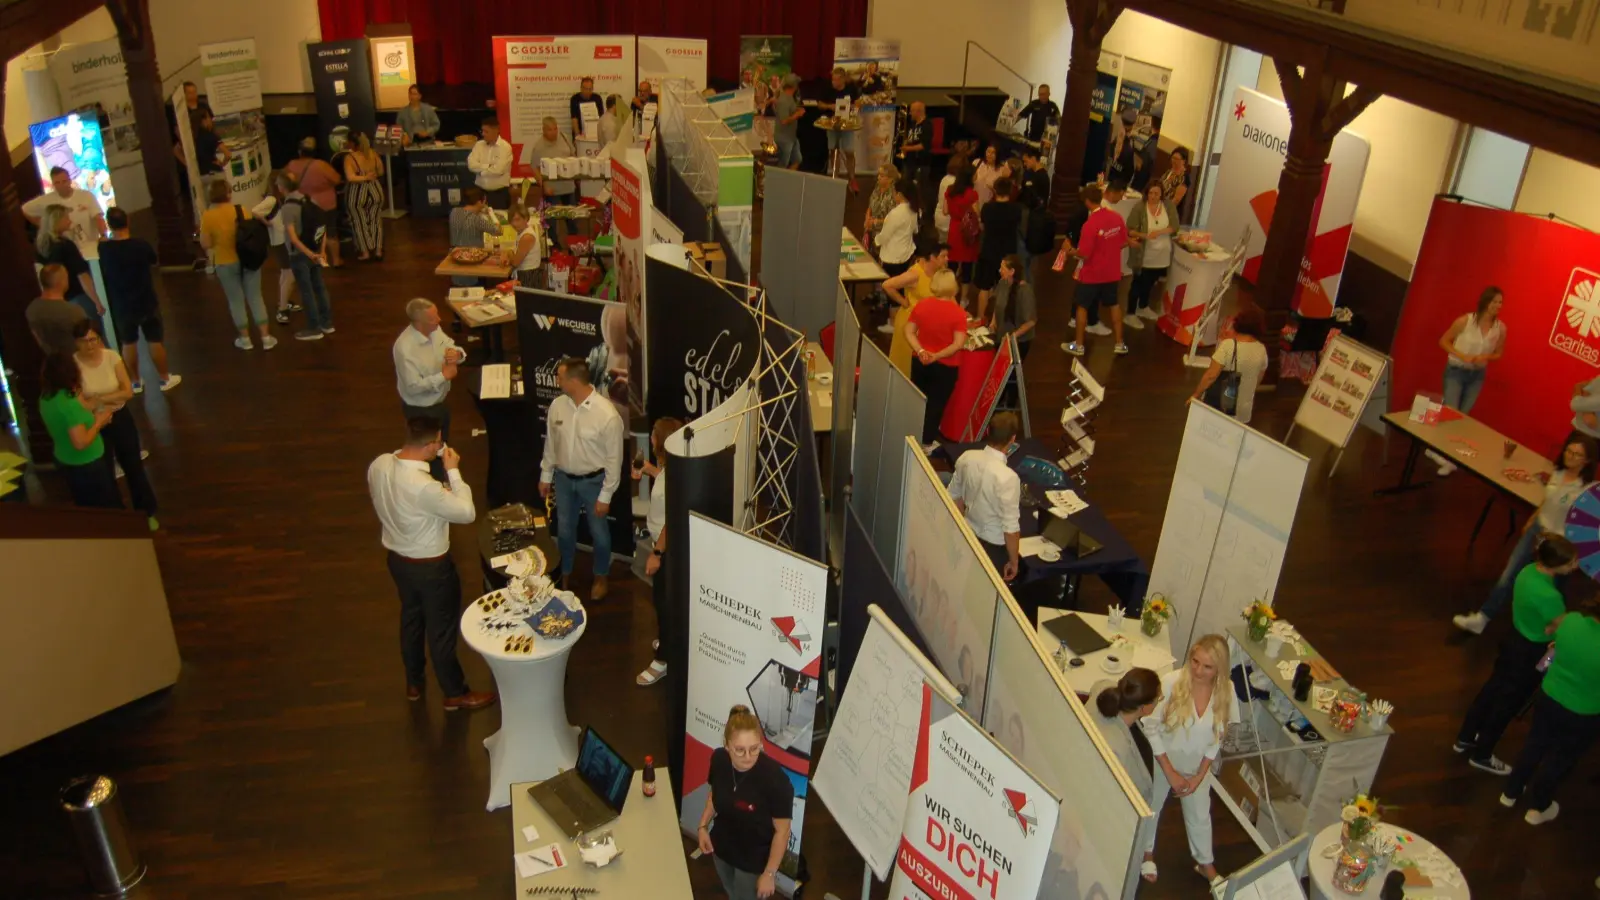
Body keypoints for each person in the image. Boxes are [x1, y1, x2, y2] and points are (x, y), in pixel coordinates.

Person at [368, 417, 495, 712]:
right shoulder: (425, 487)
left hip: (398, 561)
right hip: (432, 569)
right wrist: (453, 472)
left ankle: (414, 682)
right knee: (441, 632)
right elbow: (466, 512)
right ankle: (454, 693)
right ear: (429, 447)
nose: (441, 446)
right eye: (439, 442)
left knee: (411, 620)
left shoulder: (380, 464)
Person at [1456, 535, 1579, 774]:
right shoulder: (1549, 595)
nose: (1575, 566)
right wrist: (1556, 626)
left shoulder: (1528, 572)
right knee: (1508, 704)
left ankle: (1466, 736)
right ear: (1555, 564)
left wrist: (1552, 625)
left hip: (1514, 640)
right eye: (1571, 563)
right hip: (1531, 652)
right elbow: (1560, 625)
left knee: (1492, 689)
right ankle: (1482, 754)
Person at [1456, 435, 1598, 635]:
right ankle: (1483, 617)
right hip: (1538, 530)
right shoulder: (1558, 472)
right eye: (1569, 451)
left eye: (1577, 454)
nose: (1570, 456)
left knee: (1554, 588)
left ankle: (1551, 631)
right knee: (1509, 573)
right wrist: (1533, 518)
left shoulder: (1587, 490)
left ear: (1588, 460)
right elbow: (1549, 500)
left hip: (1558, 543)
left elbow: (1587, 522)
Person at [1139, 634, 1236, 885]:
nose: (1198, 670)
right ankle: (1146, 851)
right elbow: (1150, 726)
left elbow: (1218, 737)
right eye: (1195, 661)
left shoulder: (1227, 692)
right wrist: (1170, 771)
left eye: (1207, 667)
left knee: (1201, 817)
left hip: (1197, 767)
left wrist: (1199, 776)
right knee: (1152, 806)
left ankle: (1206, 865)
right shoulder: (1171, 682)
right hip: (1162, 760)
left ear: (1219, 669)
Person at [1499, 593, 1600, 825]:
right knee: (1561, 758)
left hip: (1550, 697)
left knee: (1534, 744)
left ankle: (1511, 792)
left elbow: (1554, 643)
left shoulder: (1571, 620)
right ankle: (1539, 806)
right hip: (1584, 713)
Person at [539, 358, 625, 601]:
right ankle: (563, 574)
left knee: (599, 533)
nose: (556, 380)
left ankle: (601, 575)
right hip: (564, 480)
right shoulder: (557, 406)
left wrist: (606, 495)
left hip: (594, 483)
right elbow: (551, 444)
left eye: (560, 377)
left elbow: (613, 460)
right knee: (564, 531)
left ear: (574, 381)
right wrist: (546, 475)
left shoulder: (607, 415)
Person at [695, 705, 795, 900]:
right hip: (721, 849)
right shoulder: (719, 759)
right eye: (739, 750)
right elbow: (714, 795)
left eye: (754, 749)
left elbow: (782, 831)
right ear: (726, 745)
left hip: (752, 862)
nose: (748, 757)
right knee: (731, 892)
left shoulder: (776, 780)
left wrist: (769, 873)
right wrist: (702, 826)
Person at [71, 319, 156, 526]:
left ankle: (147, 512)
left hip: (119, 416)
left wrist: (99, 399)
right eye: (84, 341)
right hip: (94, 422)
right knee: (105, 471)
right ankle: (116, 516)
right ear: (76, 343)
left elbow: (127, 391)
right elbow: (80, 402)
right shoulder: (73, 364)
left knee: (133, 465)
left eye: (93, 339)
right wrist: (109, 397)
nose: (90, 345)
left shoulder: (112, 357)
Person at [97, 208, 178, 393]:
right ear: (128, 221)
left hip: (122, 304)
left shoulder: (105, 249)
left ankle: (134, 381)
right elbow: (153, 260)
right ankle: (164, 378)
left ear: (109, 224)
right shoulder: (141, 245)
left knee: (128, 342)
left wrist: (102, 236)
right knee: (154, 339)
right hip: (146, 300)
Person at [1430, 287, 1507, 475]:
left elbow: (1499, 353)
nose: (1498, 306)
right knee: (1451, 411)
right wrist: (1462, 355)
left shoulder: (1500, 328)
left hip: (1476, 376)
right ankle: (1435, 448)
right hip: (1456, 371)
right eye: (1495, 301)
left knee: (1463, 415)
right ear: (1485, 302)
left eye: (1500, 302)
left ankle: (1446, 455)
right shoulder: (1465, 321)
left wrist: (1486, 357)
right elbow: (1444, 341)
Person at [633, 416, 683, 687]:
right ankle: (667, 640)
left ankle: (663, 660)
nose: (649, 439)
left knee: (664, 604)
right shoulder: (671, 467)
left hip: (667, 551)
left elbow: (672, 520)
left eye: (653, 435)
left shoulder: (674, 474)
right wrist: (649, 470)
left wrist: (657, 554)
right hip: (663, 547)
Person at [198, 179, 275, 350]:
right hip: (248, 259)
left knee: (235, 300)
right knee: (255, 296)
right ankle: (266, 337)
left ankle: (245, 339)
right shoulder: (240, 210)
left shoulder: (208, 217)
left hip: (225, 262)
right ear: (228, 194)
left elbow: (206, 244)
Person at [947, 411, 1023, 580]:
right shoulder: (1008, 477)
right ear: (1012, 440)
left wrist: (963, 530)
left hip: (967, 536)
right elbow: (1010, 530)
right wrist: (1014, 561)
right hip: (993, 549)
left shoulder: (967, 457)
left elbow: (952, 497)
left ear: (988, 432)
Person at [39, 351, 119, 508]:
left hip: (64, 458)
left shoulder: (46, 397)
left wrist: (92, 403)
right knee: (104, 505)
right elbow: (80, 442)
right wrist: (99, 422)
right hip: (86, 464)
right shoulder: (69, 405)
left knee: (83, 504)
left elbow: (77, 413)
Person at [1062, 183, 1128, 357]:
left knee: (1082, 306)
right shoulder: (1117, 218)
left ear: (1087, 202)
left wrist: (1070, 252)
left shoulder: (1090, 225)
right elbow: (1123, 242)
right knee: (1114, 304)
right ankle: (1120, 343)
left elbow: (1084, 253)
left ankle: (1078, 345)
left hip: (1092, 274)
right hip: (1112, 272)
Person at [394, 299, 464, 460]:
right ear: (419, 323)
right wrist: (444, 376)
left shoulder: (434, 329)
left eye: (437, 314)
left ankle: (442, 477)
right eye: (433, 318)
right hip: (421, 410)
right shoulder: (405, 349)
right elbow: (413, 386)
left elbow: (449, 345)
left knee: (441, 446)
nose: (439, 320)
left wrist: (457, 354)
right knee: (426, 454)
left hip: (439, 402)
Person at [906, 270, 969, 446]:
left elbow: (909, 331)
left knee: (919, 399)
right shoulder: (958, 313)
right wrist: (937, 355)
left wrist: (920, 351)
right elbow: (958, 344)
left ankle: (912, 435)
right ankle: (926, 442)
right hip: (945, 365)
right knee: (936, 403)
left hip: (920, 361)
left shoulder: (922, 305)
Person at [278, 172, 335, 341]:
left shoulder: (287, 208)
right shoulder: (310, 200)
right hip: (316, 251)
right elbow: (321, 228)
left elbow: (293, 238)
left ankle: (313, 327)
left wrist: (308, 254)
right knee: (319, 287)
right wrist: (321, 251)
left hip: (300, 255)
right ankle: (327, 323)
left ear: (282, 188)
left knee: (307, 291)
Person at [1092, 668, 1162, 798]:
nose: (1159, 700)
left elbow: (1103, 683)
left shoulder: (1101, 688)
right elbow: (1140, 794)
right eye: (1159, 698)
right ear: (1145, 708)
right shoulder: (1120, 750)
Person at [1192, 307, 1269, 423]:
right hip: (1244, 409)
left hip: (1221, 407)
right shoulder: (1261, 349)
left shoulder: (1228, 345)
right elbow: (1258, 378)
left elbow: (1211, 376)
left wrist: (1196, 395)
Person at [34, 205, 105, 333]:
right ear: (56, 221)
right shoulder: (66, 246)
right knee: (94, 334)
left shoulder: (42, 245)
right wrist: (97, 301)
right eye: (66, 218)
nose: (69, 221)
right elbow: (82, 276)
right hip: (78, 297)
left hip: (60, 300)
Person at [883, 238, 948, 374]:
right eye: (943, 256)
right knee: (907, 364)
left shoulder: (940, 272)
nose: (947, 259)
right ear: (932, 257)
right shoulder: (915, 274)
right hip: (911, 323)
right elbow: (888, 285)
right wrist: (904, 302)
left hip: (928, 324)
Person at [1125, 180, 1179, 330]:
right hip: (1144, 255)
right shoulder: (1139, 208)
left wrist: (1159, 232)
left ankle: (1143, 306)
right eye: (1151, 193)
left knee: (1150, 283)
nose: (1153, 196)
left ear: (1161, 194)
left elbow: (1174, 226)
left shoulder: (1168, 206)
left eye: (1156, 193)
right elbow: (1130, 229)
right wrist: (1144, 235)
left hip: (1161, 255)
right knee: (1138, 283)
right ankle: (1130, 313)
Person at [23, 166, 106, 258]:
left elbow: (98, 218)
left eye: (64, 181)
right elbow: (25, 209)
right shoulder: (46, 200)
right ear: (53, 184)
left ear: (70, 181)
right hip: (67, 250)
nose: (61, 185)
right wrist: (45, 225)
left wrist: (103, 236)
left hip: (91, 246)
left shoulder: (86, 196)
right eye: (57, 183)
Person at [284, 138, 343, 268]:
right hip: (326, 204)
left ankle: (312, 259)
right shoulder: (321, 165)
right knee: (331, 233)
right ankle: (336, 261)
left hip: (304, 205)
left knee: (308, 233)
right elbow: (337, 179)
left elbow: (284, 182)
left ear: (300, 152)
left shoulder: (291, 165)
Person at [253, 172, 302, 326]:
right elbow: (254, 211)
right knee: (290, 275)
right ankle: (282, 309)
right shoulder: (272, 200)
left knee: (285, 274)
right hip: (281, 242)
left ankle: (284, 302)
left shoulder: (277, 200)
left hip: (281, 241)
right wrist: (266, 222)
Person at [975, 177, 1023, 323]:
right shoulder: (1016, 209)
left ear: (995, 190)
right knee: (1004, 289)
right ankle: (998, 320)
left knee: (984, 287)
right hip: (1008, 254)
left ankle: (980, 318)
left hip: (989, 251)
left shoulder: (987, 208)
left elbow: (982, 227)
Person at [343, 131, 386, 261]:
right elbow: (381, 171)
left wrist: (363, 177)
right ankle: (378, 251)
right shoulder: (373, 153)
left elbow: (350, 177)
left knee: (359, 222)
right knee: (376, 220)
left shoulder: (350, 158)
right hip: (375, 189)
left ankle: (365, 252)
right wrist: (370, 175)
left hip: (357, 192)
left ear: (351, 143)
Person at [27, 265, 88, 355]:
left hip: (52, 363)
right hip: (77, 362)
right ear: (62, 282)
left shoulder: (31, 309)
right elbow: (88, 342)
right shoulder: (74, 312)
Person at [447, 188, 499, 287]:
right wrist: (490, 213)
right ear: (480, 202)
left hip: (455, 260)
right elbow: (498, 230)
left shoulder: (453, 212)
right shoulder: (477, 220)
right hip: (473, 264)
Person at [817, 68, 863, 180]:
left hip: (847, 124)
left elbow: (858, 102)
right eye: (833, 79)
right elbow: (819, 104)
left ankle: (852, 177)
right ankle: (835, 176)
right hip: (831, 122)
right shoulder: (827, 88)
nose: (834, 82)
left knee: (849, 151)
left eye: (836, 80)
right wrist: (829, 106)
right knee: (833, 150)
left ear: (843, 79)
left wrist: (854, 109)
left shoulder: (851, 88)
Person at [523, 117, 578, 206]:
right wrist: (544, 186)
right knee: (552, 217)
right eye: (550, 130)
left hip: (569, 186)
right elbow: (534, 167)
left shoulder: (564, 137)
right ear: (543, 130)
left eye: (555, 128)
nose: (554, 132)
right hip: (552, 189)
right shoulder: (539, 147)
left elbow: (573, 155)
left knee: (572, 217)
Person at [991, 255, 1037, 361]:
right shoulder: (1002, 283)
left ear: (1012, 271)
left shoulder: (1025, 291)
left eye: (1002, 268)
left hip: (1019, 341)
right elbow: (997, 304)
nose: (999, 270)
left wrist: (1012, 337)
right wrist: (993, 322)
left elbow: (1031, 321)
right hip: (1002, 336)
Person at [875, 177, 920, 283]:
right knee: (901, 287)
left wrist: (876, 241)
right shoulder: (914, 210)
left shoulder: (895, 213)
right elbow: (915, 230)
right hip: (907, 254)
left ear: (899, 194)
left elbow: (885, 236)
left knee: (891, 287)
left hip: (892, 257)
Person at [944, 164, 980, 295]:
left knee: (952, 265)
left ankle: (949, 294)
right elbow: (976, 214)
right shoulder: (972, 194)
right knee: (967, 266)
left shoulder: (949, 190)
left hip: (953, 228)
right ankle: (964, 299)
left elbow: (945, 211)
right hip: (967, 232)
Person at [1018, 147, 1053, 277]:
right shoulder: (1041, 175)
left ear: (1033, 159)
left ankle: (1026, 280)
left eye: (1026, 161)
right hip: (1036, 219)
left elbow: (1032, 199)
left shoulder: (1039, 177)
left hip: (1034, 219)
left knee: (1029, 252)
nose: (1025, 164)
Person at [468, 117, 513, 209]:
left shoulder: (505, 147)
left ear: (496, 131)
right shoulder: (478, 145)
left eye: (486, 131)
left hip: (499, 194)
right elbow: (471, 165)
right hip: (480, 192)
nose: (483, 134)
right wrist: (488, 166)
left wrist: (480, 171)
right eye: (482, 131)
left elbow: (498, 170)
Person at [900, 101, 932, 212]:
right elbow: (911, 140)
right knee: (906, 185)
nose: (909, 113)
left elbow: (924, 145)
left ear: (918, 112)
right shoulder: (912, 125)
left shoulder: (927, 125)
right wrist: (906, 144)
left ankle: (921, 211)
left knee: (920, 188)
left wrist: (908, 149)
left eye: (912, 111)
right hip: (909, 161)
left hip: (921, 162)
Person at [192, 109, 230, 194]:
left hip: (200, 175)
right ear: (203, 120)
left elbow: (176, 149)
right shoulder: (211, 136)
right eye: (209, 117)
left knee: (208, 203)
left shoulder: (192, 137)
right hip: (214, 173)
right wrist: (222, 163)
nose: (211, 120)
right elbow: (228, 154)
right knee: (221, 199)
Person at [863, 163, 899, 249]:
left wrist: (876, 221)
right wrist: (867, 218)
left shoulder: (894, 195)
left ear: (890, 179)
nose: (878, 177)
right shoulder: (877, 188)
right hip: (871, 230)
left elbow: (893, 220)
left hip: (884, 236)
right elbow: (870, 206)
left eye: (882, 176)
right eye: (878, 174)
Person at [509, 206, 546, 289]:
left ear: (526, 219)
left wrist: (509, 253)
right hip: (527, 274)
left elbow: (515, 262)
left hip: (528, 276)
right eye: (512, 221)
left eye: (517, 220)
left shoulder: (527, 236)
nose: (514, 224)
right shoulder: (522, 231)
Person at [773, 75, 804, 170]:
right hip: (784, 138)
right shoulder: (783, 100)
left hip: (791, 137)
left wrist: (797, 110)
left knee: (797, 160)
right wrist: (798, 114)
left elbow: (789, 111)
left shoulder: (789, 98)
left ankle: (789, 181)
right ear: (795, 86)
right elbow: (784, 120)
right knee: (783, 164)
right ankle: (779, 182)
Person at [932, 154, 963, 242]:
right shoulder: (955, 182)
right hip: (948, 221)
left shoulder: (945, 178)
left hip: (939, 216)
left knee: (942, 243)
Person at [1161, 147, 1194, 224]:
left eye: (1177, 159)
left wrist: (1162, 211)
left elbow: (1176, 200)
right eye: (1173, 158)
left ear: (1183, 161)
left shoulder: (1184, 177)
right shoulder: (1169, 172)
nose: (1174, 161)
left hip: (1169, 212)